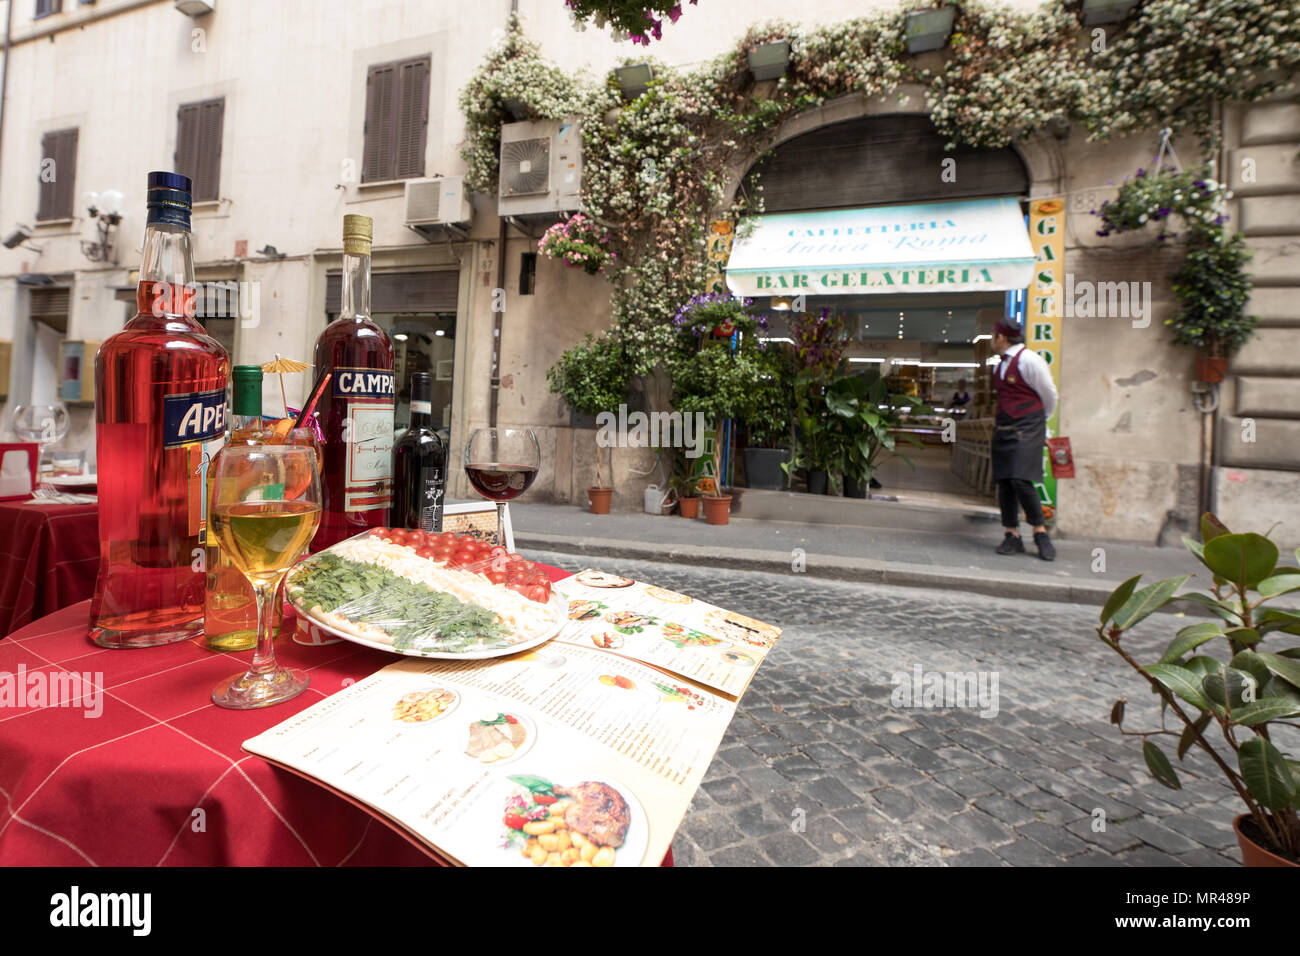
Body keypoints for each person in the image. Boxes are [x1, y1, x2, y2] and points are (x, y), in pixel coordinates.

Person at [990, 318, 1057, 560]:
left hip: (1028, 426)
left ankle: (1040, 533)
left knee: (1021, 479)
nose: (992, 339)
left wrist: (1043, 428)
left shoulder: (1030, 360)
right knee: (1005, 481)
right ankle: (1012, 534)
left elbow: (1049, 395)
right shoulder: (999, 366)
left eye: (993, 335)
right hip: (1004, 426)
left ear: (1001, 338)